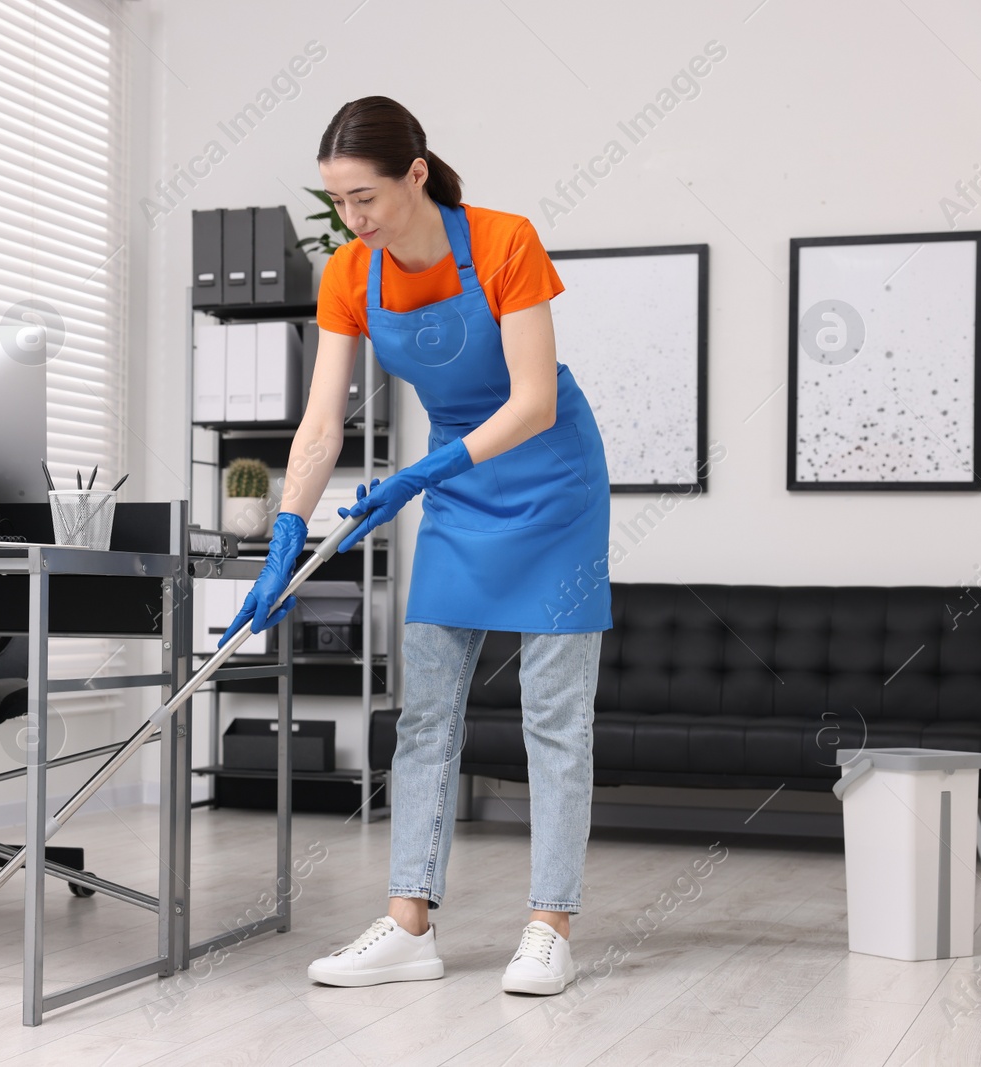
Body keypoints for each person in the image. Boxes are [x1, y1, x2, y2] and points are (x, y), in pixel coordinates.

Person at [219, 96, 612, 996]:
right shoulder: (351, 275)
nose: (353, 220)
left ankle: (549, 925)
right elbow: (320, 422)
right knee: (428, 712)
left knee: (555, 717)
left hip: (554, 490)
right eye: (339, 204)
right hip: (457, 493)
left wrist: (421, 472)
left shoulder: (506, 242)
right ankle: (409, 924)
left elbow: (535, 401)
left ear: (416, 176)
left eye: (366, 198)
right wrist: (287, 528)